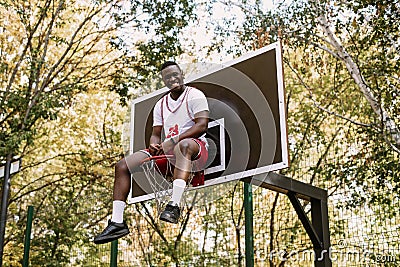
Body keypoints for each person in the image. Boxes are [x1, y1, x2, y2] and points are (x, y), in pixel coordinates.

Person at [94, 61, 209, 244]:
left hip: (195, 151)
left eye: (174, 74)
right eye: (167, 77)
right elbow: (155, 135)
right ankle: (117, 223)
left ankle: (174, 205)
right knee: (122, 165)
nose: (172, 79)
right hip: (170, 154)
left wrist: (172, 141)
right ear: (163, 81)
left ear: (181, 74)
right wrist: (154, 145)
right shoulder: (161, 104)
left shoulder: (195, 95)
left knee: (183, 146)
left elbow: (202, 125)